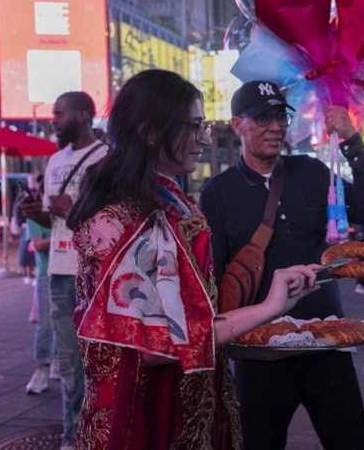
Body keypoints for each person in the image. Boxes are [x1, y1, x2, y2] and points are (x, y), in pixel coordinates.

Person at [65, 70, 319, 449]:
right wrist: (268, 308)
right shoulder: (119, 220)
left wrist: (274, 307)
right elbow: (155, 344)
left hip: (183, 399)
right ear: (151, 131)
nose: (205, 138)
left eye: (205, 125)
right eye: (195, 126)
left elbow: (192, 317)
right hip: (144, 412)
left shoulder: (168, 203)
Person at [200, 80, 364, 450]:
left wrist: (351, 139)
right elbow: (212, 277)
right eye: (262, 117)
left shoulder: (311, 172)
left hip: (326, 342)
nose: (275, 126)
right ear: (237, 124)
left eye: (280, 116)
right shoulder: (218, 192)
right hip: (259, 354)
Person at [21, 90, 108, 450]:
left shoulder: (106, 158)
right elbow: (53, 217)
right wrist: (37, 213)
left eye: (59, 113)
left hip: (96, 272)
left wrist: (70, 208)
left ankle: (103, 433)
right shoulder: (55, 160)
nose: (53, 120)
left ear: (84, 115)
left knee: (100, 359)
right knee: (69, 361)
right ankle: (73, 437)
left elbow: (114, 217)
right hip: (59, 271)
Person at [24, 180, 54, 395]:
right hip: (46, 275)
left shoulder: (69, 212)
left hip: (71, 273)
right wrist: (61, 235)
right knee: (45, 325)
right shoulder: (35, 216)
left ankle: (60, 363)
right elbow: (38, 244)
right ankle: (41, 369)